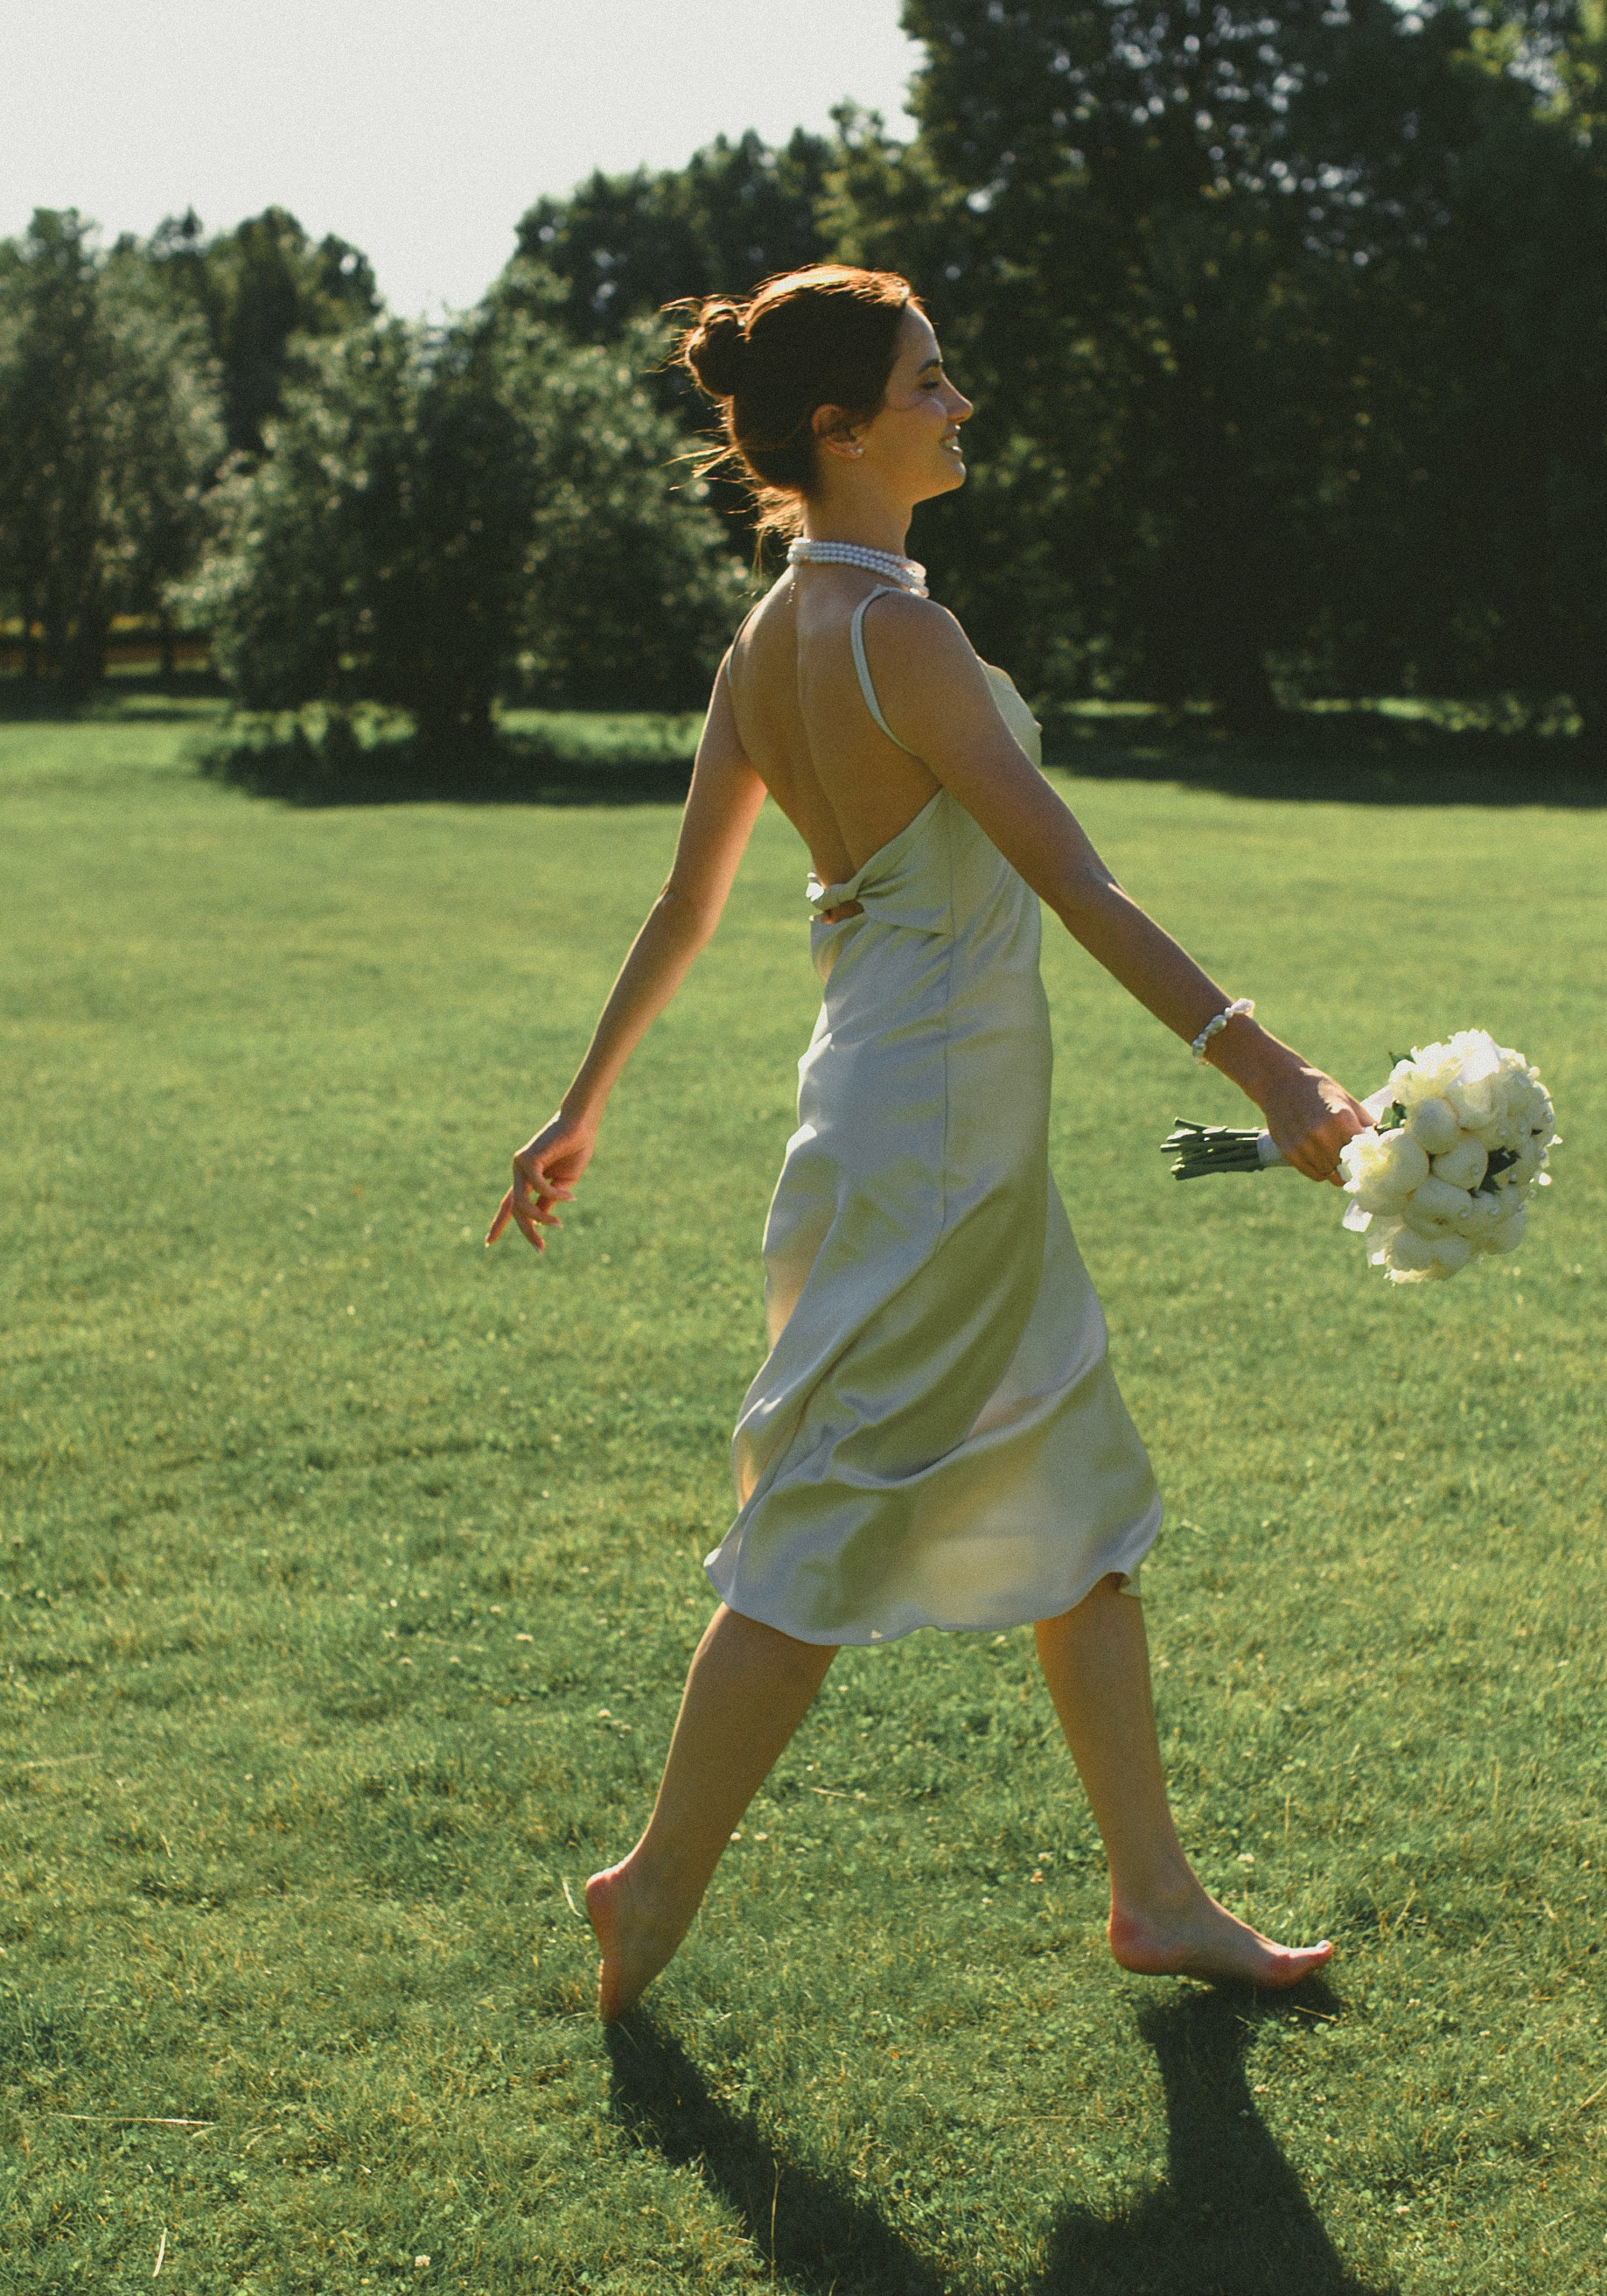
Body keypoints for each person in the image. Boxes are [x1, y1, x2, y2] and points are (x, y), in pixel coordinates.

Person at [487, 265, 1372, 2025]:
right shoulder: (900, 633)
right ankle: (651, 1880)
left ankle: (1156, 1892)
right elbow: (1074, 875)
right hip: (939, 1136)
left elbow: (683, 907)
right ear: (841, 428)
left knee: (1081, 1503)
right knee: (824, 1523)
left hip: (900, 1112)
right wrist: (1273, 1073)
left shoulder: (774, 638)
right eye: (931, 379)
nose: (959, 404)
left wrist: (581, 1101)